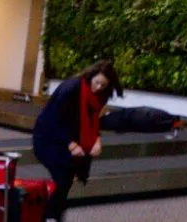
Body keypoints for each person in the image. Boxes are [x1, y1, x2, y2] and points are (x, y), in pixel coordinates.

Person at [33, 61, 122, 221]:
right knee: (63, 178)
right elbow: (51, 120)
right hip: (48, 137)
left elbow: (93, 120)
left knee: (66, 180)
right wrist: (71, 144)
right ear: (90, 77)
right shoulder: (71, 88)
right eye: (97, 82)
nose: (99, 87)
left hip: (72, 138)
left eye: (103, 84)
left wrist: (97, 140)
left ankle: (52, 215)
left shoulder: (102, 95)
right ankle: (48, 215)